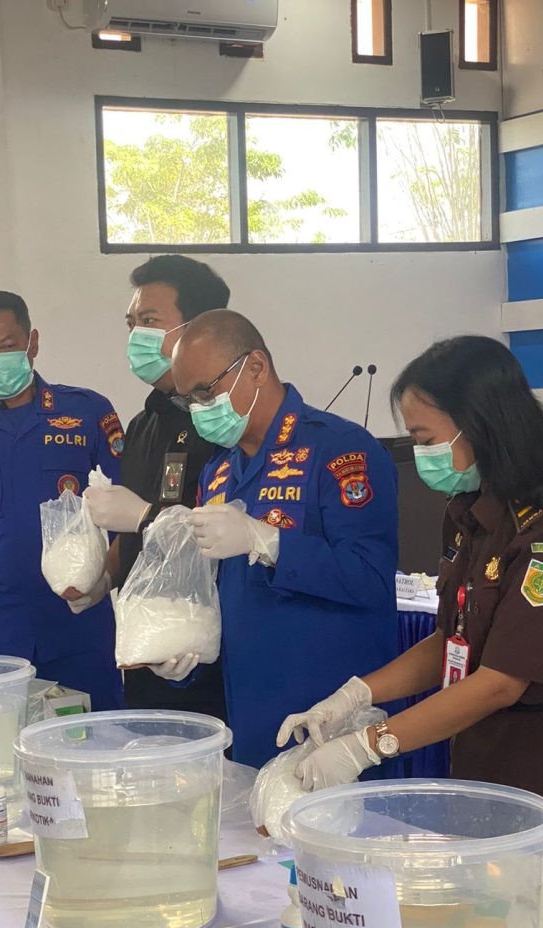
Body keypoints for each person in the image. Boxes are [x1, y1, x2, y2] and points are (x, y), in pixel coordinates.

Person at [277, 336, 543, 888]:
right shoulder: (469, 516)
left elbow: (500, 681)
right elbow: (450, 639)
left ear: (481, 425)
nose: (420, 456)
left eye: (425, 439)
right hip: (480, 754)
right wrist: (355, 695)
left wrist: (369, 745)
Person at [156, 309, 399, 769]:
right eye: (187, 401)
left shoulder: (340, 449)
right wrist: (184, 648)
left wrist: (269, 543)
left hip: (331, 718)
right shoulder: (218, 471)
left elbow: (370, 578)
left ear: (256, 367)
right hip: (252, 711)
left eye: (206, 392)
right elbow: (218, 591)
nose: (199, 409)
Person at [0, 290, 125, 710]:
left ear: (32, 343)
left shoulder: (85, 414)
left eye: (7, 346)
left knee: (93, 738)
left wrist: (108, 579)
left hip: (77, 627)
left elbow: (131, 515)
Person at [82, 255, 230, 721]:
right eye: (131, 324)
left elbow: (228, 534)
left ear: (198, 328)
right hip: (145, 642)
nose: (135, 337)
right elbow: (131, 531)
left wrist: (147, 516)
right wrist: (102, 578)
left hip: (208, 649)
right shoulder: (144, 423)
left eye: (149, 322)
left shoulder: (223, 423)